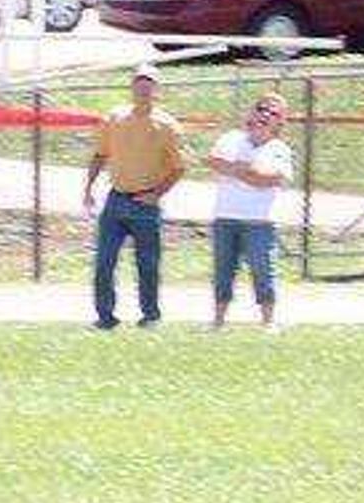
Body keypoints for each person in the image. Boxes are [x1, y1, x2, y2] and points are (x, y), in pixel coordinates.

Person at [78, 66, 185, 329]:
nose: (143, 89)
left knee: (147, 264)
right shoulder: (115, 118)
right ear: (132, 87)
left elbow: (178, 167)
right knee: (104, 261)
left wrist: (156, 194)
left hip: (145, 205)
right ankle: (105, 317)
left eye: (149, 84)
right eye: (139, 83)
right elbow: (101, 155)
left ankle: (150, 316)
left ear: (156, 91)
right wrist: (89, 187)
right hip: (116, 200)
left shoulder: (167, 126)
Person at [206, 92, 291, 328]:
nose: (265, 115)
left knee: (263, 271)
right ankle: (218, 322)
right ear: (252, 111)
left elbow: (269, 180)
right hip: (226, 217)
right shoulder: (232, 138)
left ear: (280, 122)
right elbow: (213, 161)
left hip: (259, 222)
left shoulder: (279, 149)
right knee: (223, 272)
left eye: (273, 113)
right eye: (262, 108)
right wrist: (246, 172)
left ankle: (268, 322)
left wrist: (235, 170)